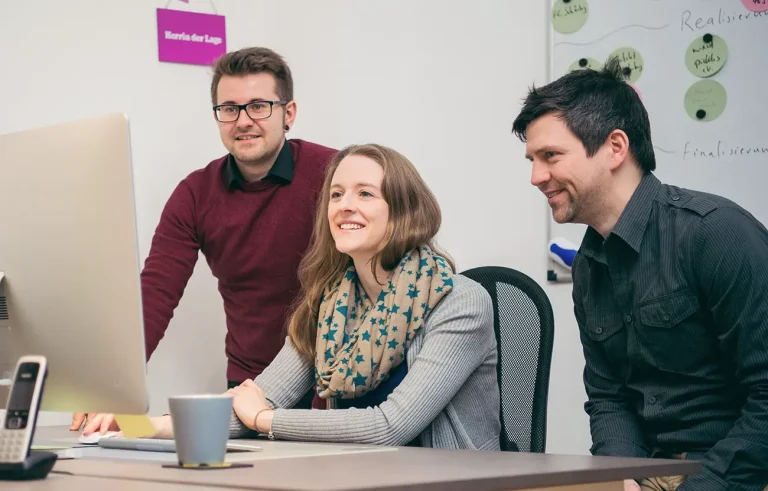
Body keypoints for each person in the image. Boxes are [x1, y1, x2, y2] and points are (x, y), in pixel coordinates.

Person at [512, 58, 768, 490]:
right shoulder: (590, 265)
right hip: (653, 471)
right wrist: (621, 478)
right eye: (532, 159)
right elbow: (609, 397)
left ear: (615, 147)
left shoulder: (716, 233)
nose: (536, 177)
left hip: (736, 473)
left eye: (550, 156)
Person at [141, 143, 501, 449]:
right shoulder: (329, 306)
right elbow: (249, 408)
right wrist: (136, 426)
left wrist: (266, 419)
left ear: (404, 210)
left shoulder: (459, 303)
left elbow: (390, 427)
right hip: (357, 477)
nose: (344, 205)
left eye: (365, 193)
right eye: (336, 194)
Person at [75, 47, 336, 435]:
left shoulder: (334, 173)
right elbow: (156, 292)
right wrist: (113, 386)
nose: (243, 121)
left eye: (259, 106)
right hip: (247, 389)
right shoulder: (195, 194)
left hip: (329, 386)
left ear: (289, 113)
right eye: (229, 108)